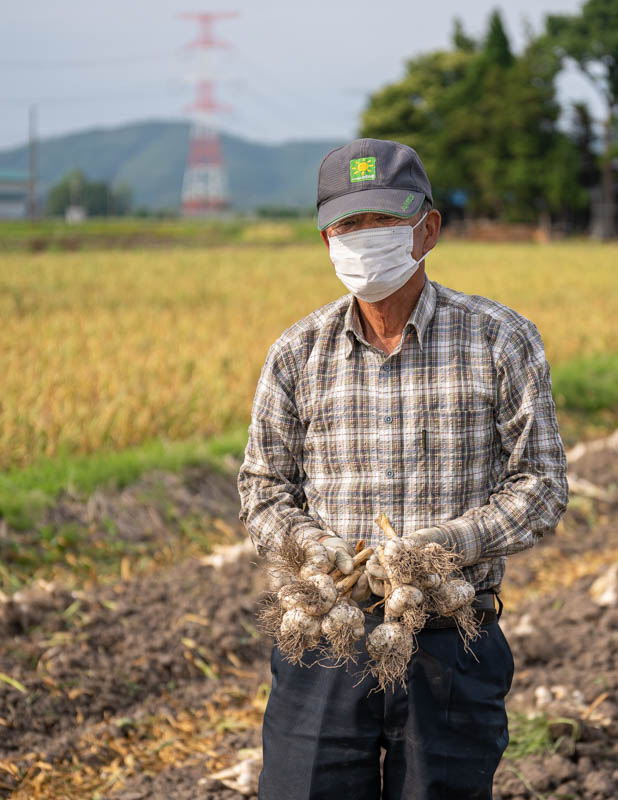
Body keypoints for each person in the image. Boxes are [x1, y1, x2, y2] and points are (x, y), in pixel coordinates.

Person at [237, 138, 569, 800]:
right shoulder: (297, 353)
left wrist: (442, 547)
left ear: (428, 229)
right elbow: (263, 490)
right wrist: (312, 545)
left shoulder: (500, 339)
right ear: (327, 240)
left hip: (449, 643)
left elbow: (541, 484)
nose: (365, 241)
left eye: (383, 222)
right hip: (323, 641)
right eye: (348, 225)